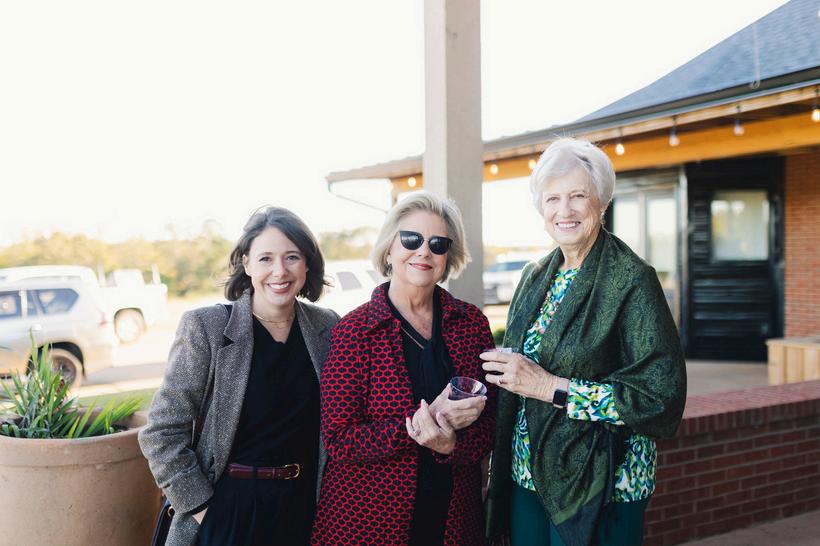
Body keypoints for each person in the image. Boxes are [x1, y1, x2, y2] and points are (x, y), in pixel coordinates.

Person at [482, 138, 687, 546]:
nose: (565, 210)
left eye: (578, 196)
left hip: (605, 481)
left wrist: (549, 387)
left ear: (602, 202)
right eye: (553, 198)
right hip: (527, 471)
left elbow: (659, 396)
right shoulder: (535, 275)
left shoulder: (632, 280)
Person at [139, 207, 340, 546]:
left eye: (292, 257)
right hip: (228, 510)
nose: (280, 270)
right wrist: (205, 511)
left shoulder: (329, 327)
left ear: (307, 263)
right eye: (266, 258)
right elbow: (162, 432)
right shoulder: (207, 328)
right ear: (246, 264)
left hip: (305, 510)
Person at [311, 191, 496, 546]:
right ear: (389, 248)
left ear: (448, 256)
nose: (424, 251)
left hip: (454, 519)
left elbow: (492, 421)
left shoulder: (471, 324)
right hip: (367, 523)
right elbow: (339, 440)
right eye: (411, 239)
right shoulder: (355, 331)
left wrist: (452, 445)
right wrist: (419, 426)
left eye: (438, 244)